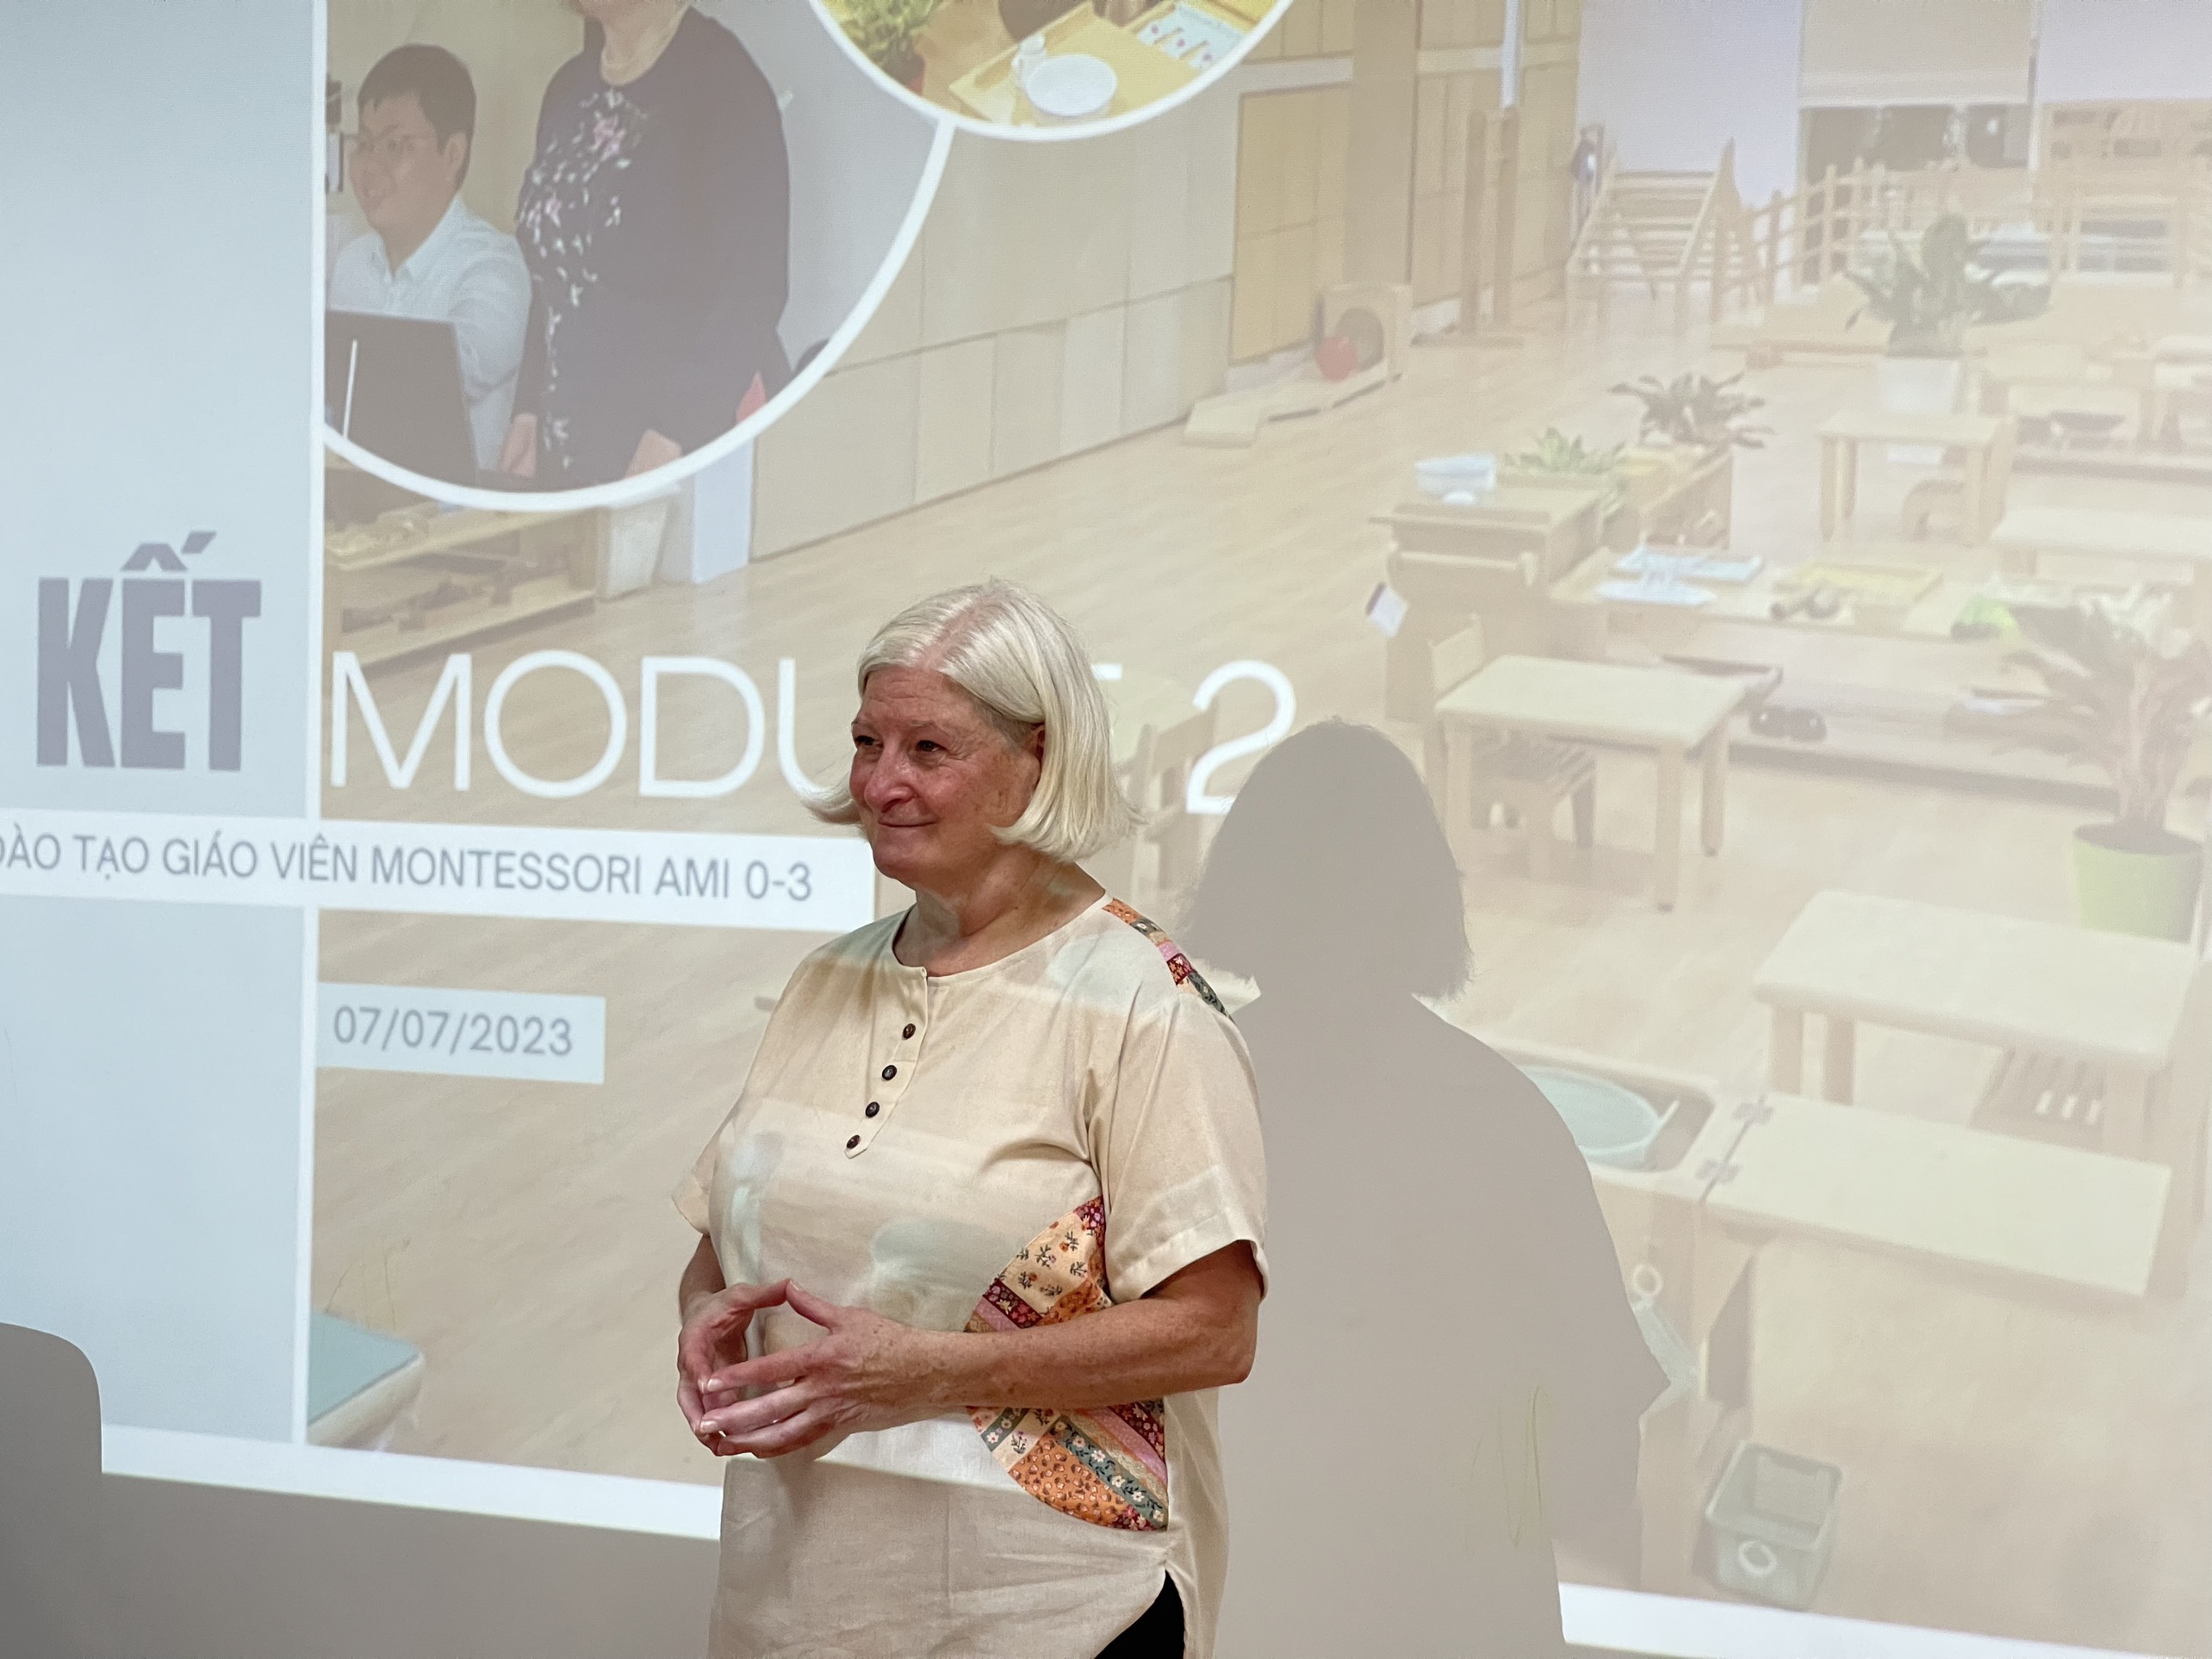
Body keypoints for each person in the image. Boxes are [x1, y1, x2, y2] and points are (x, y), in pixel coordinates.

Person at [670, 581, 1268, 1659]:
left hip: (1060, 1619)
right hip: (793, 1613)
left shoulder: (1146, 1004)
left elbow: (1214, 1331)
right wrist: (705, 1321)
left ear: (1037, 759)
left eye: (928, 749)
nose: (879, 783)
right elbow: (726, 1251)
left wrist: (932, 1371)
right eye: (867, 742)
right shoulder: (824, 982)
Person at [1183, 720, 1665, 1659]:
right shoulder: (1508, 1120)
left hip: (1245, 1609)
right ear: (1424, 902)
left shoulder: (1179, 1103)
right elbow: (1597, 1462)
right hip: (1463, 1613)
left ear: (1240, 889)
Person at [502, 0, 792, 488]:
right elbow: (556, 269)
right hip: (564, 452)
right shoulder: (569, 88)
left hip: (672, 455)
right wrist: (527, 408)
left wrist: (670, 437)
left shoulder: (725, 85)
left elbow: (753, 294)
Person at [328, 45, 531, 474]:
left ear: (452, 154)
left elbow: (448, 377)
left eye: (395, 146)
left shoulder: (493, 268)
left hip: (453, 512)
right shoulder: (352, 263)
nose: (370, 166)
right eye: (364, 144)